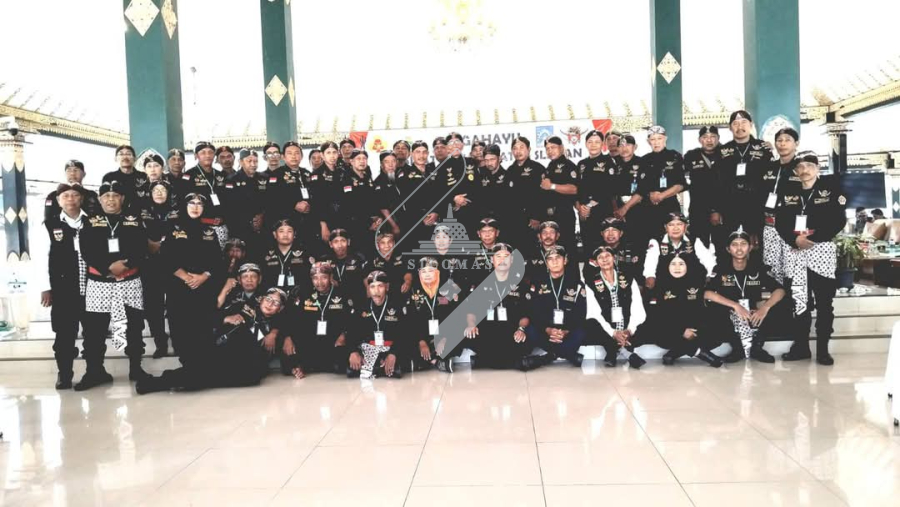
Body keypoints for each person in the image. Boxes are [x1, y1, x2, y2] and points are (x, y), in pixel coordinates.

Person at [135, 288, 281, 394]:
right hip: (222, 352)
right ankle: (156, 383)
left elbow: (286, 322)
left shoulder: (277, 323)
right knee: (199, 375)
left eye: (275, 303)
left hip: (246, 366)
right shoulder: (243, 307)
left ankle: (159, 381)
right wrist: (225, 319)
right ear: (261, 299)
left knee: (203, 375)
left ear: (280, 309)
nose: (270, 304)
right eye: (268, 299)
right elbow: (210, 317)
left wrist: (274, 333)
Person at [776, 151, 846, 365]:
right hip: (795, 251)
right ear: (795, 171)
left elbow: (838, 221)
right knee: (799, 301)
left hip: (821, 250)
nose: (804, 170)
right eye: (800, 167)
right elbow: (780, 222)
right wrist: (794, 240)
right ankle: (801, 347)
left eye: (809, 165)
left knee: (824, 304)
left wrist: (812, 239)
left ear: (817, 168)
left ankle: (823, 350)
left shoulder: (831, 190)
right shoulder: (788, 191)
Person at [77, 181, 148, 390]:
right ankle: (94, 371)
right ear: (100, 199)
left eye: (115, 196)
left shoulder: (134, 220)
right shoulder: (90, 221)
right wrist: (107, 267)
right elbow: (86, 250)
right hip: (99, 282)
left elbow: (141, 248)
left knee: (134, 327)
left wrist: (125, 265)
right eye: (106, 196)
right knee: (94, 330)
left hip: (129, 281)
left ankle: (136, 368)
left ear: (122, 199)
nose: (110, 200)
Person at [703, 226, 792, 363]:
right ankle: (737, 348)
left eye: (743, 244)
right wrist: (735, 306)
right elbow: (706, 293)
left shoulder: (758, 267)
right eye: (734, 245)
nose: (739, 249)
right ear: (728, 249)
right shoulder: (721, 268)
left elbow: (780, 290)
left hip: (753, 313)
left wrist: (764, 308)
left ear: (750, 247)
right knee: (715, 310)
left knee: (782, 305)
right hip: (731, 313)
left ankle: (757, 347)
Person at [160, 193, 223, 367]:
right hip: (179, 285)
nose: (195, 207)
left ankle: (201, 366)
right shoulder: (173, 228)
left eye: (199, 204)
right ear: (184, 206)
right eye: (191, 203)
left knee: (202, 326)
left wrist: (204, 276)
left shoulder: (209, 231)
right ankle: (187, 365)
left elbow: (217, 261)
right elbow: (165, 257)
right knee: (181, 327)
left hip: (203, 286)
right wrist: (186, 277)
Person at [41, 184, 91, 389]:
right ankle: (64, 373)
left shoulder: (92, 222)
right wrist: (45, 287)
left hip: (92, 287)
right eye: (65, 196)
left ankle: (95, 371)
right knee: (64, 334)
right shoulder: (49, 225)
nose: (70, 199)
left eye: (74, 195)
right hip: (63, 289)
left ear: (81, 199)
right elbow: (41, 258)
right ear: (59, 200)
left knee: (93, 333)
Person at [466, 244, 536, 370]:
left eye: (506, 256)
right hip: (488, 332)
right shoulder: (481, 282)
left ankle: (483, 361)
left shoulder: (521, 282)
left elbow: (525, 314)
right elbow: (471, 310)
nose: (502, 260)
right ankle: (517, 362)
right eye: (498, 256)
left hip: (511, 331)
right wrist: (471, 324)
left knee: (528, 336)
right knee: (469, 334)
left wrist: (520, 329)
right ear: (492, 259)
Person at [646, 254, 723, 367]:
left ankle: (673, 354)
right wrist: (682, 330)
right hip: (670, 330)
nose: (677, 267)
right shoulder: (660, 286)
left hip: (692, 328)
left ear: (687, 266)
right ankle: (701, 353)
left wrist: (692, 328)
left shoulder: (696, 284)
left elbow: (700, 308)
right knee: (660, 329)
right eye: (673, 264)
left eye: (681, 264)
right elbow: (660, 315)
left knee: (717, 334)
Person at [283, 262, 355, 378]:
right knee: (287, 358)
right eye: (315, 278)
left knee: (342, 365)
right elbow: (293, 319)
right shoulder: (304, 294)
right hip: (311, 341)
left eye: (324, 277)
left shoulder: (342, 294)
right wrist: (288, 337)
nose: (319, 282)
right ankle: (298, 367)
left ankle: (313, 364)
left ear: (330, 277)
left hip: (333, 341)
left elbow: (351, 321)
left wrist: (344, 335)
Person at [584, 246, 647, 368]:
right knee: (590, 323)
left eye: (607, 256)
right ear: (596, 262)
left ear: (614, 258)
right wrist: (613, 333)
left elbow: (637, 307)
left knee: (647, 322)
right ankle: (626, 353)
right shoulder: (591, 283)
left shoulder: (628, 278)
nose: (604, 259)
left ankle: (612, 352)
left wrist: (629, 330)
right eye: (600, 257)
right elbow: (594, 313)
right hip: (607, 330)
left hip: (627, 327)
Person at [718, 110, 774, 245]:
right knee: (731, 242)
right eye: (735, 124)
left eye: (744, 122)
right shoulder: (723, 150)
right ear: (730, 127)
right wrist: (716, 209)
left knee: (756, 243)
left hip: (756, 204)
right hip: (730, 203)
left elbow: (771, 178)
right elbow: (717, 182)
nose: (740, 127)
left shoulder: (763, 148)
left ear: (751, 125)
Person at [525, 246, 586, 367]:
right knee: (530, 330)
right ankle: (567, 355)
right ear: (546, 264)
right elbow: (534, 311)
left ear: (565, 260)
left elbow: (581, 312)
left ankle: (547, 357)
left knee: (582, 331)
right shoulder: (538, 283)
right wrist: (548, 330)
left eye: (558, 258)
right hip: (546, 331)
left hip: (567, 330)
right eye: (550, 259)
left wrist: (565, 331)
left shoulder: (576, 283)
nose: (554, 262)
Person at [406, 257, 468, 372]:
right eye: (423, 271)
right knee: (407, 335)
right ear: (419, 274)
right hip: (424, 334)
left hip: (445, 332)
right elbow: (412, 320)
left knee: (459, 332)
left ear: (437, 272)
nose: (427, 275)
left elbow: (457, 315)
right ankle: (434, 360)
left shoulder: (449, 287)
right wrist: (421, 342)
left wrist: (444, 338)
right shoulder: (413, 291)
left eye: (431, 271)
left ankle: (433, 360)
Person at [140, 180, 179, 358]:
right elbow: (135, 233)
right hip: (150, 263)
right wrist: (148, 244)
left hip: (173, 263)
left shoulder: (178, 210)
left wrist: (164, 243)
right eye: (155, 190)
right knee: (153, 306)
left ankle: (178, 341)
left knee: (175, 304)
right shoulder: (142, 210)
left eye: (163, 189)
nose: (159, 192)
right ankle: (160, 343)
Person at [348, 270, 407, 379]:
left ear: (387, 287)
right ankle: (378, 366)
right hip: (368, 349)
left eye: (380, 286)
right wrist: (353, 351)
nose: (376, 291)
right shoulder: (361, 307)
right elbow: (352, 332)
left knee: (398, 369)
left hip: (389, 348)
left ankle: (378, 366)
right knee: (350, 369)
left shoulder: (397, 305)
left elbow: (404, 333)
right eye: (372, 287)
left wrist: (393, 353)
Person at [760, 127, 800, 283]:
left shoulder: (802, 167)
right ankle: (777, 298)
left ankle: (794, 298)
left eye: (787, 140)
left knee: (793, 271)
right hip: (770, 226)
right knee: (771, 271)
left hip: (792, 227)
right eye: (779, 140)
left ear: (796, 143)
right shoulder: (769, 167)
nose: (783, 144)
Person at [269, 142, 323, 255]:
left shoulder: (307, 174)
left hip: (308, 223)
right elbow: (272, 200)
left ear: (302, 156)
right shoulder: (276, 175)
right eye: (290, 153)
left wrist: (310, 205)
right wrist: (293, 205)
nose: (294, 156)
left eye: (297, 153)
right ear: (283, 157)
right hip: (288, 225)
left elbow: (317, 196)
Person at [636, 126, 686, 245]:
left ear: (665, 139)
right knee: (650, 243)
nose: (656, 142)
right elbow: (640, 187)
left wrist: (662, 195)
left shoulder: (675, 156)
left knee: (671, 242)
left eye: (659, 138)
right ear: (648, 141)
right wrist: (650, 194)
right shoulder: (644, 160)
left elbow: (681, 184)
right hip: (648, 207)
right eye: (653, 139)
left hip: (669, 205)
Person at [643, 212, 717, 290]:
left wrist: (709, 275)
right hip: (665, 283)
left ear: (685, 227)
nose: (676, 228)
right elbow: (651, 261)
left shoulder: (694, 241)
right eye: (671, 225)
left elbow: (708, 260)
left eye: (679, 224)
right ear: (665, 227)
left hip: (690, 283)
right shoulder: (656, 242)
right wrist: (650, 276)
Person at [180, 141, 229, 248]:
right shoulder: (188, 176)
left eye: (210, 152)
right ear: (196, 156)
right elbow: (184, 204)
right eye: (203, 152)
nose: (207, 155)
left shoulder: (221, 176)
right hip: (199, 226)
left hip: (221, 226)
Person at [576, 130, 617, 257]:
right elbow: (577, 190)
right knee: (588, 248)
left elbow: (609, 189)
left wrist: (588, 206)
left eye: (597, 142)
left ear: (602, 144)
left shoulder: (609, 162)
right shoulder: (581, 164)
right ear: (586, 144)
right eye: (590, 142)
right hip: (585, 215)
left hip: (602, 212)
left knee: (603, 249)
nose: (593, 145)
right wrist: (580, 208)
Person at [683, 126, 725, 249]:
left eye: (713, 137)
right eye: (705, 137)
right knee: (699, 247)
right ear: (699, 140)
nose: (709, 140)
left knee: (722, 246)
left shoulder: (726, 154)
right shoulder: (691, 156)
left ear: (718, 138)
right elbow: (677, 174)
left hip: (722, 209)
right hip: (698, 209)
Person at [539, 136, 580, 254]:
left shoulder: (569, 165)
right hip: (549, 216)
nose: (550, 151)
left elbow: (574, 189)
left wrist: (552, 186)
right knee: (551, 252)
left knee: (567, 249)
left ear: (561, 148)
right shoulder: (550, 166)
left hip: (564, 215)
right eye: (547, 148)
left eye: (553, 147)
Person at [225, 149, 268, 258]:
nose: (253, 164)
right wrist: (250, 221)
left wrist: (262, 216)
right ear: (241, 162)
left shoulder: (264, 178)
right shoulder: (231, 180)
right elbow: (229, 208)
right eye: (249, 161)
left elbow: (270, 202)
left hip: (262, 228)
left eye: (255, 161)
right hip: (240, 229)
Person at [505, 136, 546, 250]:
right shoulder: (509, 171)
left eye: (521, 147)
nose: (518, 151)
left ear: (529, 149)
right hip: (513, 220)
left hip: (532, 221)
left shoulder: (538, 168)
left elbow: (543, 196)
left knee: (531, 251)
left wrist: (537, 216)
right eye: (515, 148)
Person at [261, 219, 313, 295]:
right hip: (274, 297)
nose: (285, 235)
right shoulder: (266, 256)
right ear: (274, 234)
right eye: (281, 231)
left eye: (289, 231)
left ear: (294, 234)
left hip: (299, 296)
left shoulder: (305, 254)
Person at [321, 228, 368, 304]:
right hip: (334, 303)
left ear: (348, 242)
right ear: (330, 244)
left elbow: (367, 285)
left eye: (343, 241)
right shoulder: (325, 260)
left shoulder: (359, 258)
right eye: (336, 241)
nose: (340, 245)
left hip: (357, 301)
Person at [612, 134, 644, 225]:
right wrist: (616, 210)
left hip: (638, 208)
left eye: (628, 145)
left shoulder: (642, 163)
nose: (624, 148)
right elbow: (609, 189)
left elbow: (643, 189)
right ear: (617, 148)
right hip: (616, 209)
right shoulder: (612, 163)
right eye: (621, 145)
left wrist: (625, 208)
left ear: (635, 147)